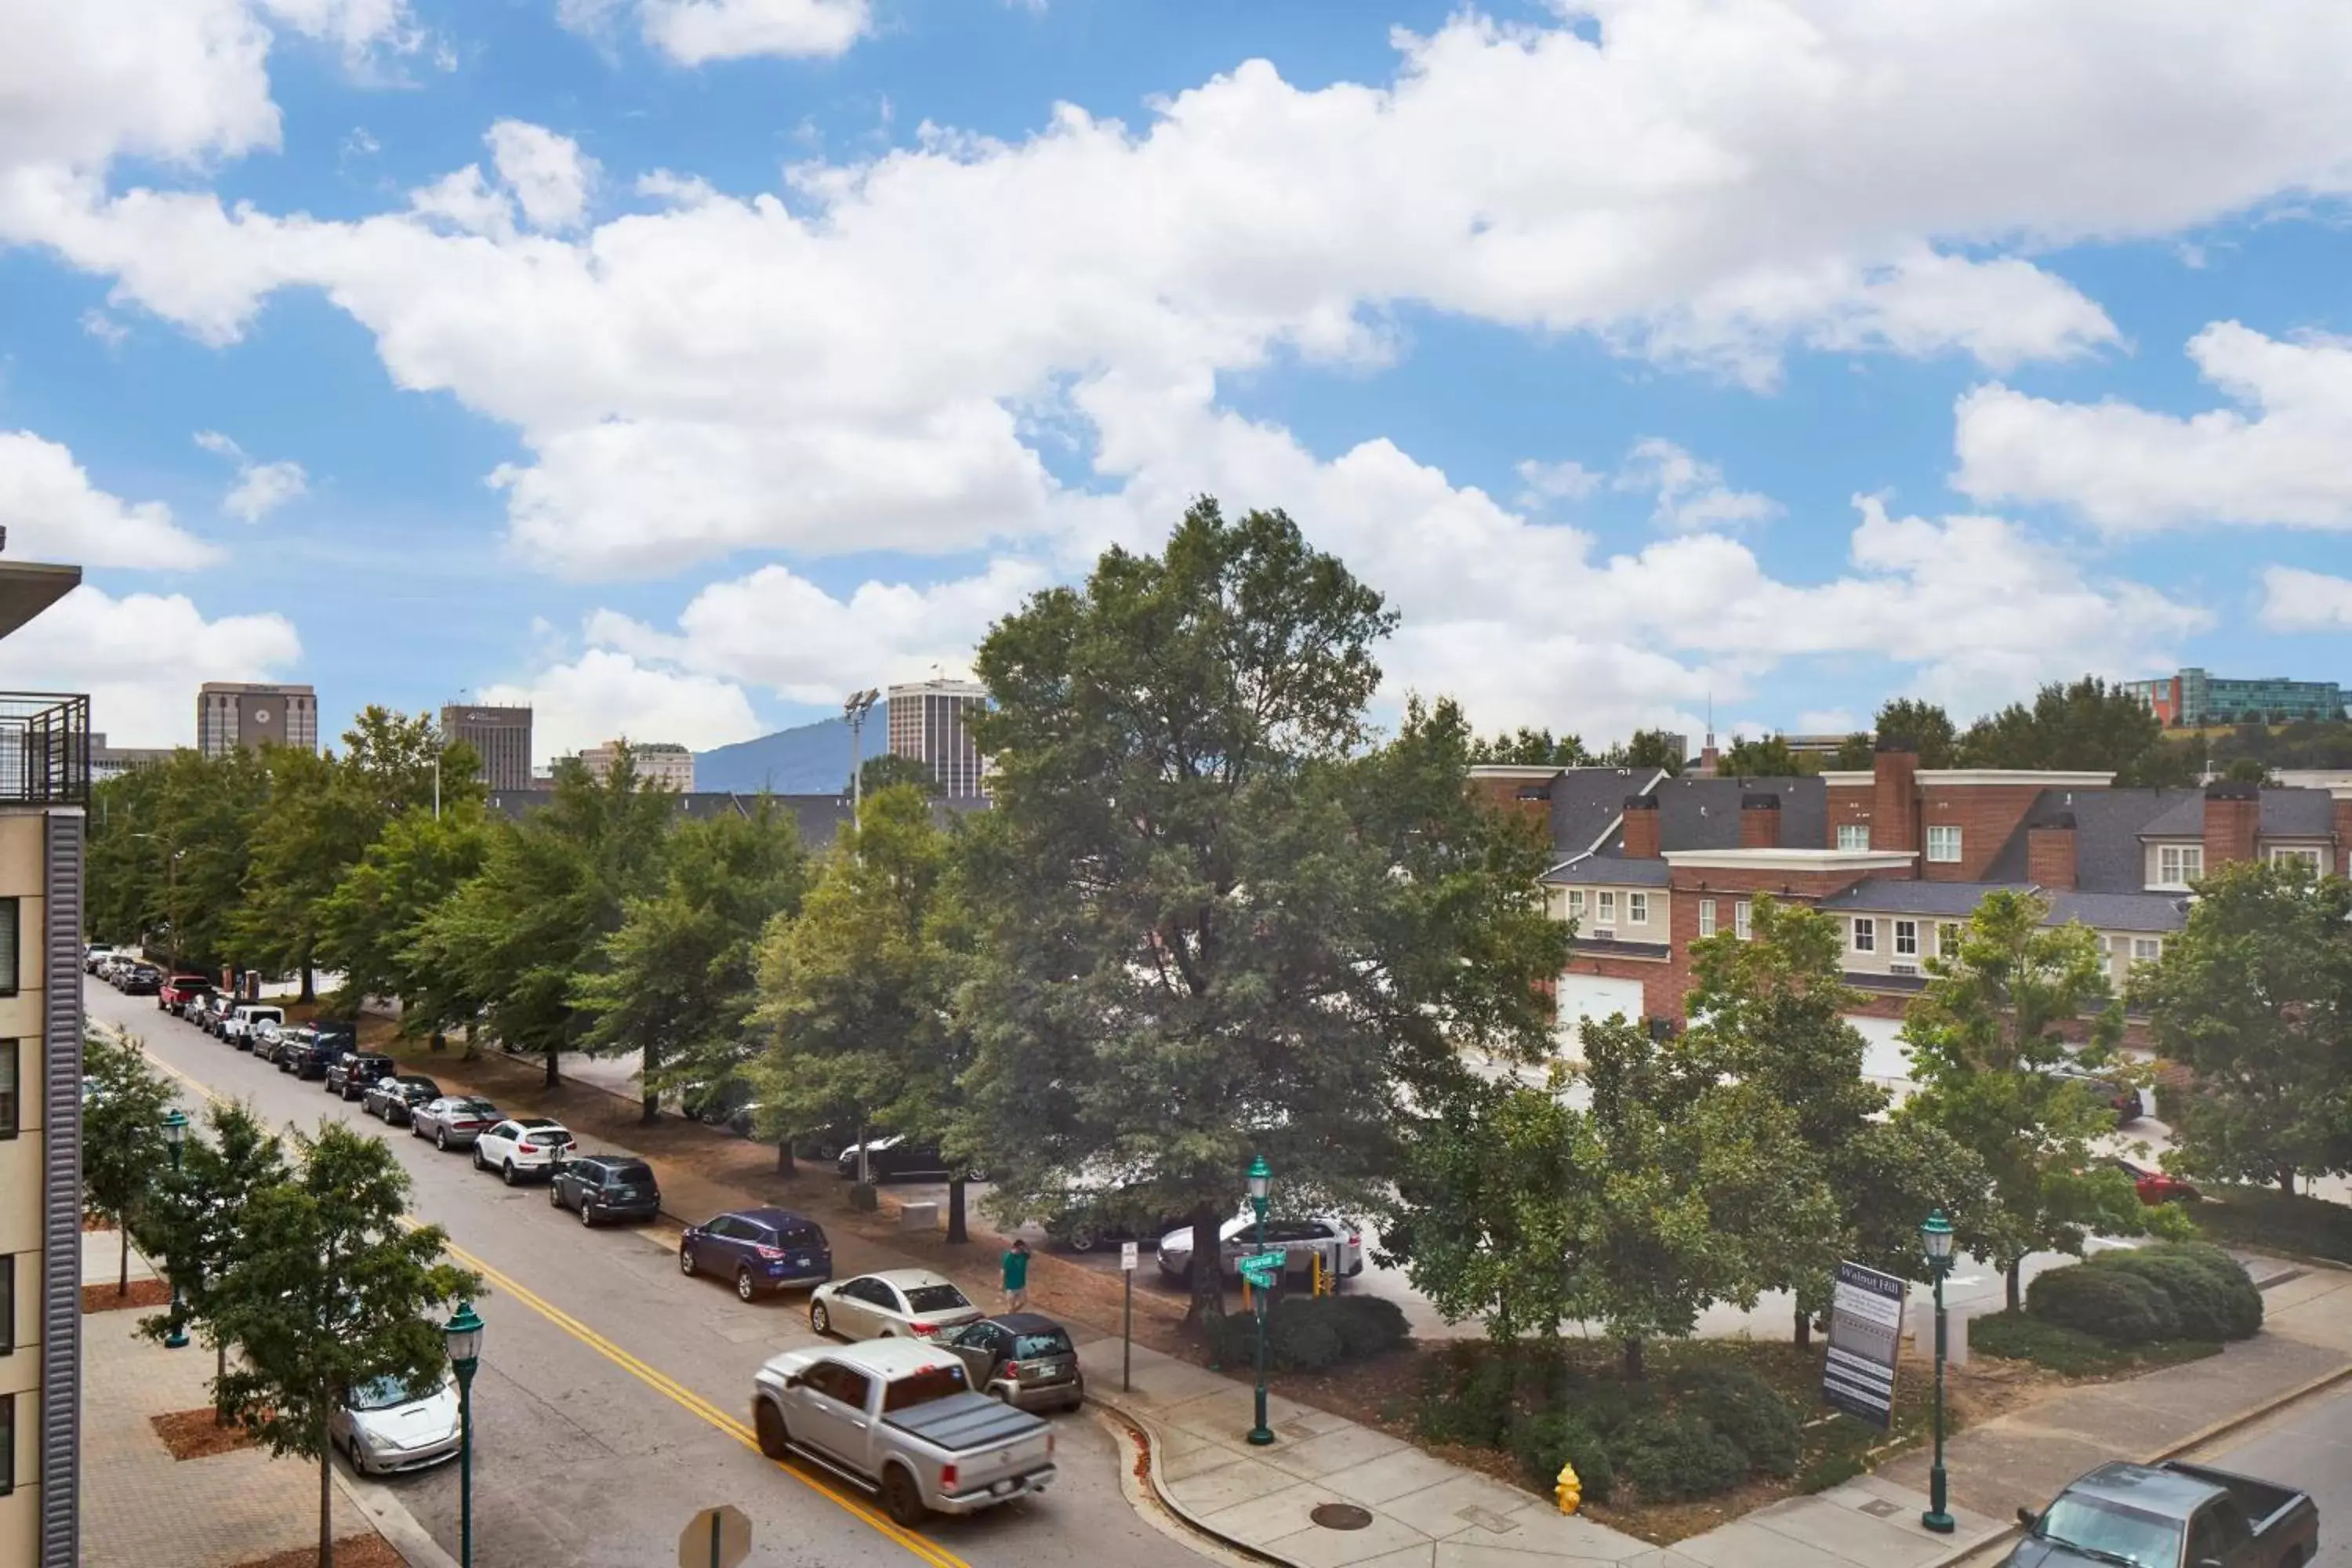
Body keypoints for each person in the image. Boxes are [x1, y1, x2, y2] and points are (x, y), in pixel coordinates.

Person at [1002, 1239, 1031, 1312]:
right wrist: (1002, 1283)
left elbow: (1029, 1254)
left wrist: (1027, 1247)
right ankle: (1009, 1315)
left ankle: (1013, 1312)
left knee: (1023, 1301)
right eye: (1021, 1249)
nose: (1022, 1251)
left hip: (1021, 1285)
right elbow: (1003, 1270)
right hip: (1011, 1286)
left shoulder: (1023, 1256)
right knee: (1011, 1306)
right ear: (1016, 1248)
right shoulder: (1009, 1257)